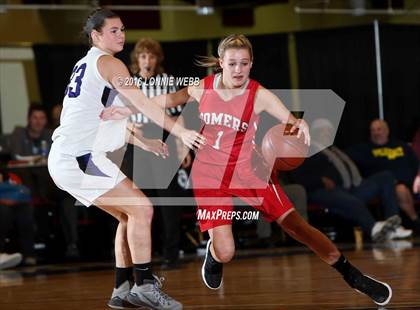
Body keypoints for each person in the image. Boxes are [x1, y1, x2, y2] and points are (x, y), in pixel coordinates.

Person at [102, 34, 393, 306]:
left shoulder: (258, 94)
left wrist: (298, 123)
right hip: (210, 175)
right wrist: (127, 110)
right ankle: (214, 257)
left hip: (249, 169)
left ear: (251, 64)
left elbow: (289, 120)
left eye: (244, 63)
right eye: (232, 64)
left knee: (298, 227)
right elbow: (165, 101)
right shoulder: (202, 87)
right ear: (221, 64)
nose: (238, 69)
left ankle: (352, 275)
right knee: (226, 251)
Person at [48, 8, 204, 310]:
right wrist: (180, 132)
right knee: (142, 208)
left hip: (76, 157)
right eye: (114, 31)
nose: (121, 35)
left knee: (127, 215)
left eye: (122, 29)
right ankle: (144, 285)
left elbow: (116, 114)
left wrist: (144, 141)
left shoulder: (88, 65)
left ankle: (121, 288)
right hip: (78, 158)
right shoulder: (110, 63)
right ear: (96, 36)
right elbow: (144, 104)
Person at [123, 38, 191, 269]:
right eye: (143, 56)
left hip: (162, 138)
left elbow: (178, 116)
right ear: (136, 59)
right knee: (141, 202)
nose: (147, 60)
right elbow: (118, 117)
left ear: (157, 59)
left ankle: (171, 253)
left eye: (151, 56)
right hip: (136, 141)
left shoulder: (167, 81)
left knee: (168, 200)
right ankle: (142, 256)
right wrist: (132, 129)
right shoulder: (127, 83)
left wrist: (183, 145)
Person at [292, 119, 411, 242]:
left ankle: (393, 225)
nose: (326, 133)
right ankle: (374, 230)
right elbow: (299, 178)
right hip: (324, 192)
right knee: (351, 201)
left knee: (386, 176)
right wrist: (320, 181)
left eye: (329, 130)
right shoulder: (306, 150)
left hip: (350, 189)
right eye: (322, 130)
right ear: (314, 133)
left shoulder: (336, 150)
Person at [348, 119, 420, 233]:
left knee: (402, 188)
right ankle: (415, 221)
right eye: (373, 130)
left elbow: (416, 164)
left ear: (387, 131)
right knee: (400, 189)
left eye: (379, 129)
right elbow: (342, 157)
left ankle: (412, 222)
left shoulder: (401, 146)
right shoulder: (363, 149)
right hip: (386, 186)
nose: (376, 133)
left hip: (411, 183)